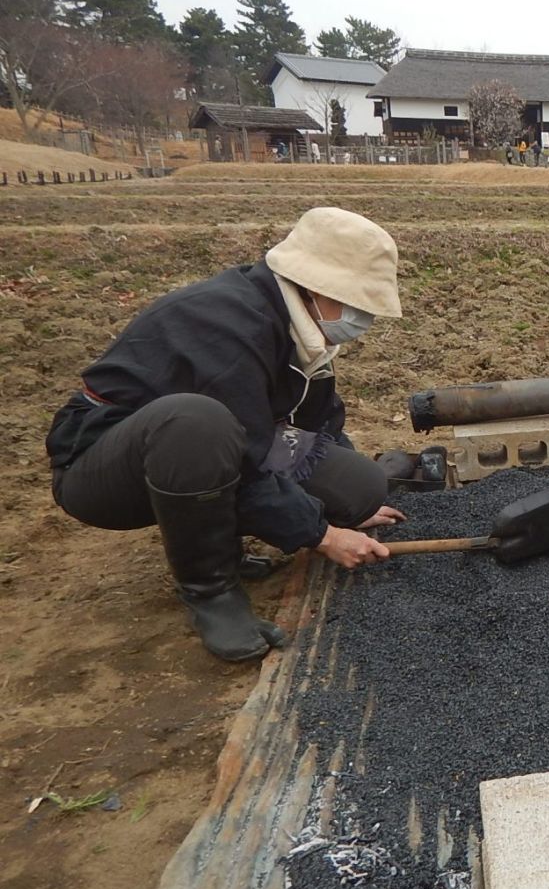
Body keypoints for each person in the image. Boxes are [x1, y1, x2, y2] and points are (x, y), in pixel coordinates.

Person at [45, 208, 407, 662]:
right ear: (318, 286)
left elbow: (320, 424)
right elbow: (248, 463)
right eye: (356, 305)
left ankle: (231, 528)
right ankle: (210, 587)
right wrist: (323, 535)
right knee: (197, 423)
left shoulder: (299, 324)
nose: (360, 320)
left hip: (219, 449)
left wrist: (345, 508)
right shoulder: (224, 325)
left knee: (358, 488)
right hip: (106, 466)